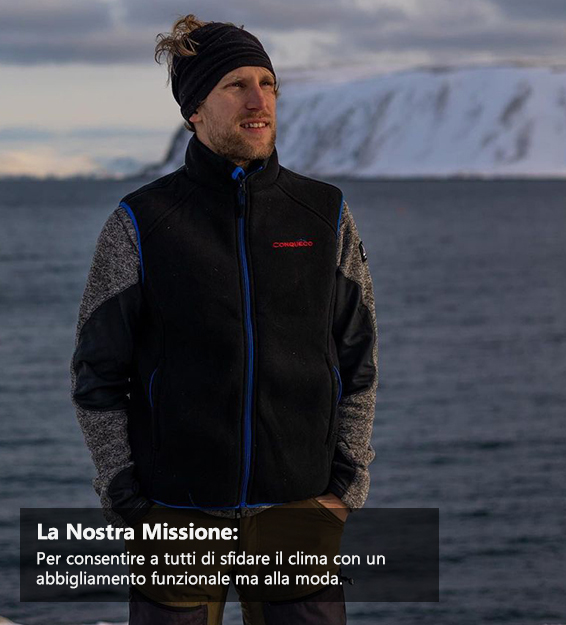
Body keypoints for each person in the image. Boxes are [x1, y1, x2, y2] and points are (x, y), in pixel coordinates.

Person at [69, 14, 378, 624]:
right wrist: (128, 502)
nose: (259, 100)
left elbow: (357, 360)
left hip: (298, 512)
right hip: (175, 517)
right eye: (236, 84)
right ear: (194, 110)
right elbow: (97, 377)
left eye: (268, 83)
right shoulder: (141, 223)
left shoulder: (323, 214)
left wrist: (345, 489)